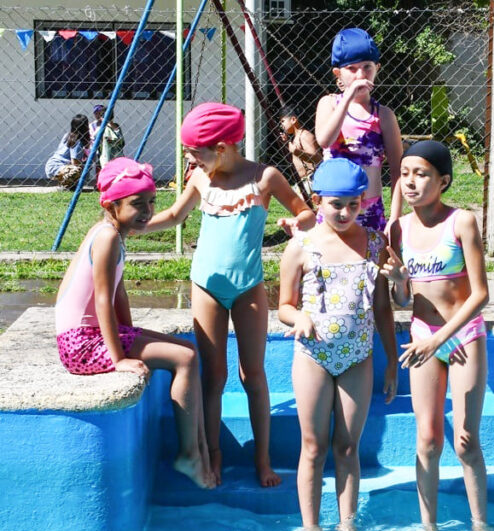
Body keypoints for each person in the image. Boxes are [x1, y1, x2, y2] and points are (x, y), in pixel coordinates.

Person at [143, 102, 316, 488]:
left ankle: (263, 458)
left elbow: (305, 213)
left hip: (248, 287)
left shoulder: (265, 177)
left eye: (194, 152)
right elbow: (174, 216)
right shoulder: (201, 179)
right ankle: (212, 454)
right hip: (206, 285)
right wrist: (132, 228)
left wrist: (295, 222)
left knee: (252, 374)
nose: (189, 159)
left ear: (221, 147)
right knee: (214, 375)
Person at [54, 157, 215, 490]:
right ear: (112, 205)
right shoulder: (107, 238)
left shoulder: (113, 233)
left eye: (152, 202)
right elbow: (102, 300)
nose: (147, 211)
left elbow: (119, 295)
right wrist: (120, 357)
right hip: (80, 344)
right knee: (184, 359)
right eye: (137, 204)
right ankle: (189, 455)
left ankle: (198, 450)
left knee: (187, 348)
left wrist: (132, 333)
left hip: (90, 335)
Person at [278, 157, 398, 531]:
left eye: (353, 203)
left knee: (348, 446)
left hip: (358, 357)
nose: (345, 212)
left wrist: (392, 362)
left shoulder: (376, 244)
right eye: (336, 204)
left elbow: (384, 307)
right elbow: (282, 306)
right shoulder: (301, 247)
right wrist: (298, 318)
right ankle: (312, 528)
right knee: (313, 445)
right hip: (313, 355)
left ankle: (348, 526)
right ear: (317, 201)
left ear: (363, 201)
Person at [381, 141, 493, 531]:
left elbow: (480, 294)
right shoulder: (397, 230)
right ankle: (429, 529)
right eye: (406, 173)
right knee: (427, 439)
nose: (411, 181)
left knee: (465, 439)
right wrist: (397, 281)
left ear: (443, 181)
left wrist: (440, 339)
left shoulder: (462, 222)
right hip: (422, 335)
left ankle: (480, 526)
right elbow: (404, 303)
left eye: (422, 174)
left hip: (461, 335)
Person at [315, 27, 404, 233]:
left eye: (367, 67)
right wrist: (347, 97)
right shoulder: (329, 104)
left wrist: (395, 217)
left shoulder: (383, 115)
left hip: (370, 211)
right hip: (333, 209)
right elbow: (324, 140)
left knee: (370, 263)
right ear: (338, 73)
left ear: (377, 68)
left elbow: (397, 170)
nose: (361, 75)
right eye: (352, 69)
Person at [279, 106, 321, 198]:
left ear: (293, 119)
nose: (281, 125)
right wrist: (287, 144)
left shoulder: (304, 135)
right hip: (303, 181)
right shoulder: (296, 138)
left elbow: (317, 158)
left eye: (283, 121)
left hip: (312, 179)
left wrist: (297, 152)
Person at [45, 114, 90, 189]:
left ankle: (66, 183)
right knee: (80, 170)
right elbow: (74, 162)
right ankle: (66, 184)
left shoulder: (68, 135)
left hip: (51, 164)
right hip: (59, 166)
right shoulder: (77, 141)